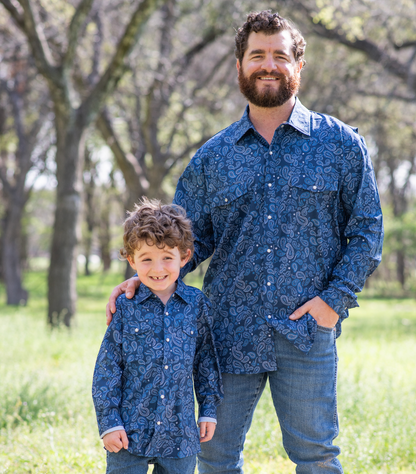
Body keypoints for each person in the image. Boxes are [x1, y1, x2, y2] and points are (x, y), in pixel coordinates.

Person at [106, 10, 383, 473]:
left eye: (280, 55)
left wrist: (332, 302)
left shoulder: (340, 145)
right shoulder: (212, 158)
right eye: (257, 55)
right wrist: (145, 279)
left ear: (298, 67)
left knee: (316, 457)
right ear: (240, 66)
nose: (268, 65)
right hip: (226, 334)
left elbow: (366, 231)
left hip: (307, 331)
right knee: (214, 456)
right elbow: (181, 244)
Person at [93, 199, 223, 474]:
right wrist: (109, 423)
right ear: (131, 260)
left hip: (180, 434)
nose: (158, 268)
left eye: (167, 258)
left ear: (185, 257)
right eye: (146, 259)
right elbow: (107, 369)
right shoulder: (125, 308)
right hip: (129, 431)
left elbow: (206, 362)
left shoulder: (196, 305)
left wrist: (209, 410)